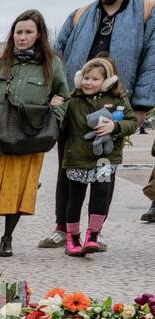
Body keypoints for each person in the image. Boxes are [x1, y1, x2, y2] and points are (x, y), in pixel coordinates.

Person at [41, 0, 155, 244]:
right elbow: (57, 57)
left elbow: (151, 60)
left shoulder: (145, 12)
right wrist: (55, 94)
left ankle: (95, 232)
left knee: (105, 173)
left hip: (113, 105)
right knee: (67, 168)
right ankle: (63, 228)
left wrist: (141, 105)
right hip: (75, 103)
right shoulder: (79, 15)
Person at [0, 11, 69, 258]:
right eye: (18, 32)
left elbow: (64, 97)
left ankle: (6, 239)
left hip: (28, 141)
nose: (22, 37)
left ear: (39, 34)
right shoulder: (2, 62)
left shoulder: (52, 65)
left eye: (28, 32)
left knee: (17, 193)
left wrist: (55, 116)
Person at [59, 57, 140, 253]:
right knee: (75, 198)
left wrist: (115, 126)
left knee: (100, 195)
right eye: (86, 78)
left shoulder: (118, 99)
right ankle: (73, 238)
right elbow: (61, 124)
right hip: (77, 158)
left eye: (95, 79)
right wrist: (57, 106)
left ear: (107, 81)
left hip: (105, 159)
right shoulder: (74, 100)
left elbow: (132, 122)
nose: (88, 82)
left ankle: (93, 234)